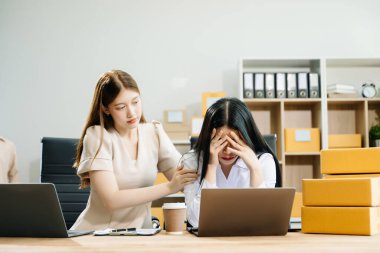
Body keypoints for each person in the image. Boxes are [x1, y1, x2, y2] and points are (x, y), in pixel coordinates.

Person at [70, 70, 197, 231]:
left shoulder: (154, 132)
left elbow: (186, 179)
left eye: (135, 102)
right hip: (96, 234)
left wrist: (214, 159)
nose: (131, 112)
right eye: (121, 107)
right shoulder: (98, 136)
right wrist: (169, 187)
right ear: (105, 108)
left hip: (140, 234)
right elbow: (111, 200)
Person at [183, 97, 281, 227]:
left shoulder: (263, 161)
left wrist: (255, 169)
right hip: (207, 244)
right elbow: (196, 221)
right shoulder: (192, 162)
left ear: (247, 137)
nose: (228, 152)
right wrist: (211, 167)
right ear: (209, 138)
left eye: (235, 143)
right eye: (220, 143)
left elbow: (264, 221)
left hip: (250, 242)